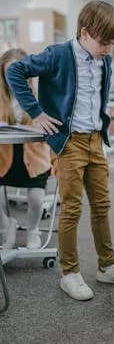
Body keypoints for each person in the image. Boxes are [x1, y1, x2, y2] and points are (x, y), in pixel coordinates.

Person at [6, 0, 114, 301]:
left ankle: (107, 265)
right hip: (71, 142)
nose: (109, 48)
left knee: (102, 205)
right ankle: (70, 273)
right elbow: (15, 71)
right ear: (85, 32)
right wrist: (35, 112)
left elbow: (94, 94)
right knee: (72, 207)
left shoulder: (105, 60)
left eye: (113, 43)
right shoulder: (58, 54)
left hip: (94, 141)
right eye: (105, 42)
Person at [0, 48, 51, 249]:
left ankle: (33, 231)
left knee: (36, 198)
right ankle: (7, 225)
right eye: (7, 75)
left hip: (35, 158)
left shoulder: (42, 97)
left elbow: (53, 129)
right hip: (4, 157)